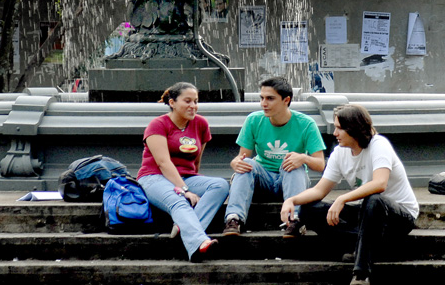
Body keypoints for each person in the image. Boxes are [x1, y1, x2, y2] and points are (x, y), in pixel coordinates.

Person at [280, 104, 419, 285]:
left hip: (398, 217)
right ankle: (365, 245)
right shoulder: (339, 153)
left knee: (374, 199)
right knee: (308, 210)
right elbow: (319, 190)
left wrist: (343, 198)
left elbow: (380, 183)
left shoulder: (379, 145)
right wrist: (292, 200)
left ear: (354, 128)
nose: (335, 133)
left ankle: (361, 273)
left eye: (339, 128)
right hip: (367, 218)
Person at [137, 82, 229, 262]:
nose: (193, 106)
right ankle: (199, 244)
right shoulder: (157, 125)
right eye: (187, 101)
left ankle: (182, 226)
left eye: (195, 101)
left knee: (221, 185)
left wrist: (190, 184)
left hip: (186, 177)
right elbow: (163, 163)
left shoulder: (200, 124)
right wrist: (185, 190)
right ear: (172, 103)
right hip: (154, 177)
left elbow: (196, 162)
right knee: (180, 201)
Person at [223, 76, 326, 237]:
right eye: (262, 98)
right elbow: (242, 157)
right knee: (247, 164)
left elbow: (320, 164)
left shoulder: (306, 124)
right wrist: (235, 163)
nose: (263, 103)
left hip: (291, 180)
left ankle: (294, 220)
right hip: (262, 181)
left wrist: (303, 158)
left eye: (270, 99)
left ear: (286, 100)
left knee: (293, 164)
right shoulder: (253, 120)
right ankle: (234, 219)